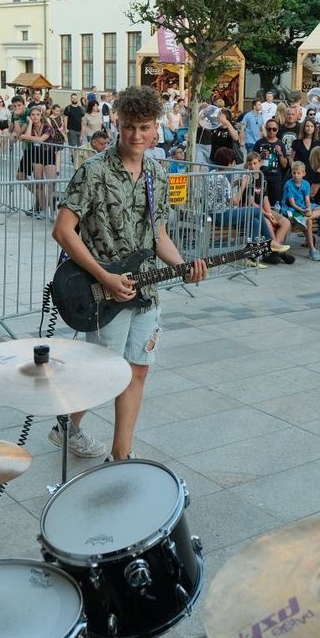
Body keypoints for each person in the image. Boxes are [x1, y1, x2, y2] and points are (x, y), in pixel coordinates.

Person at [51, 86, 207, 460]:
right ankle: (67, 426)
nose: (137, 135)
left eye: (145, 127)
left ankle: (122, 455)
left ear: (157, 129)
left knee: (137, 371)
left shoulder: (157, 173)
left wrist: (183, 266)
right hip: (103, 290)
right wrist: (105, 276)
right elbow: (63, 230)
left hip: (146, 291)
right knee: (103, 374)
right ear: (117, 124)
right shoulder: (94, 171)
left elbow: (159, 236)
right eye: (129, 127)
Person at [283, 159, 320, 260]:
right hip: (292, 208)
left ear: (303, 173)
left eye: (298, 173)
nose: (296, 175)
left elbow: (307, 199)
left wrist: (308, 209)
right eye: (294, 173)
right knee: (310, 222)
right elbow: (292, 203)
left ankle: (305, 218)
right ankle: (312, 250)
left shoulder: (306, 184)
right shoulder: (289, 184)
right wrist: (303, 211)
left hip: (303, 207)